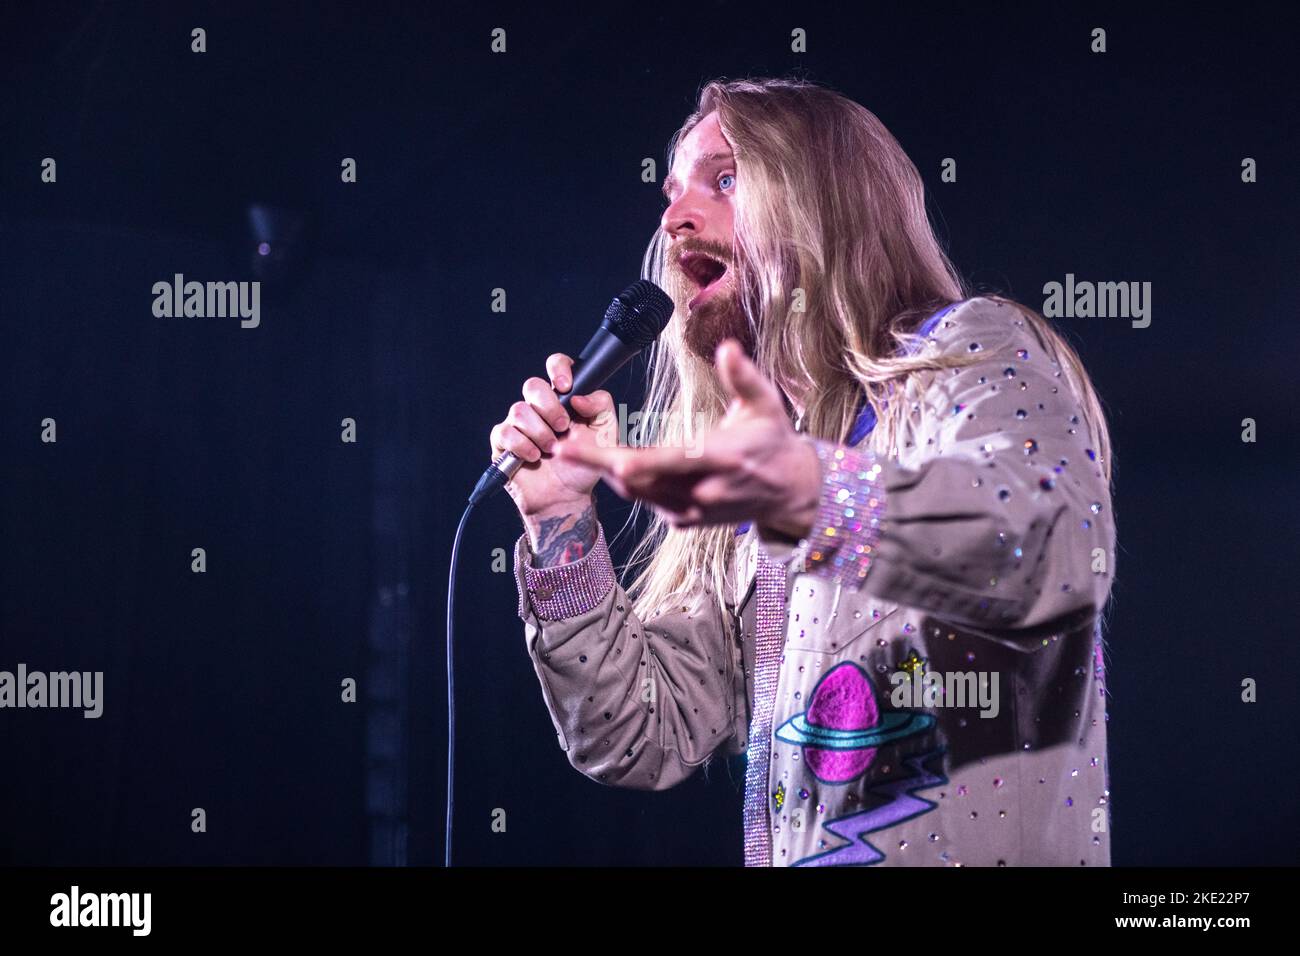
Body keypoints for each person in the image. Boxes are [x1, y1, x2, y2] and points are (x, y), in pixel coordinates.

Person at [488, 77, 1115, 867]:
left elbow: (1038, 545)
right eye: (672, 193)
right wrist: (560, 524)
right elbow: (639, 735)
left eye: (725, 179)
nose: (677, 215)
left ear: (828, 202)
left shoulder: (973, 353)